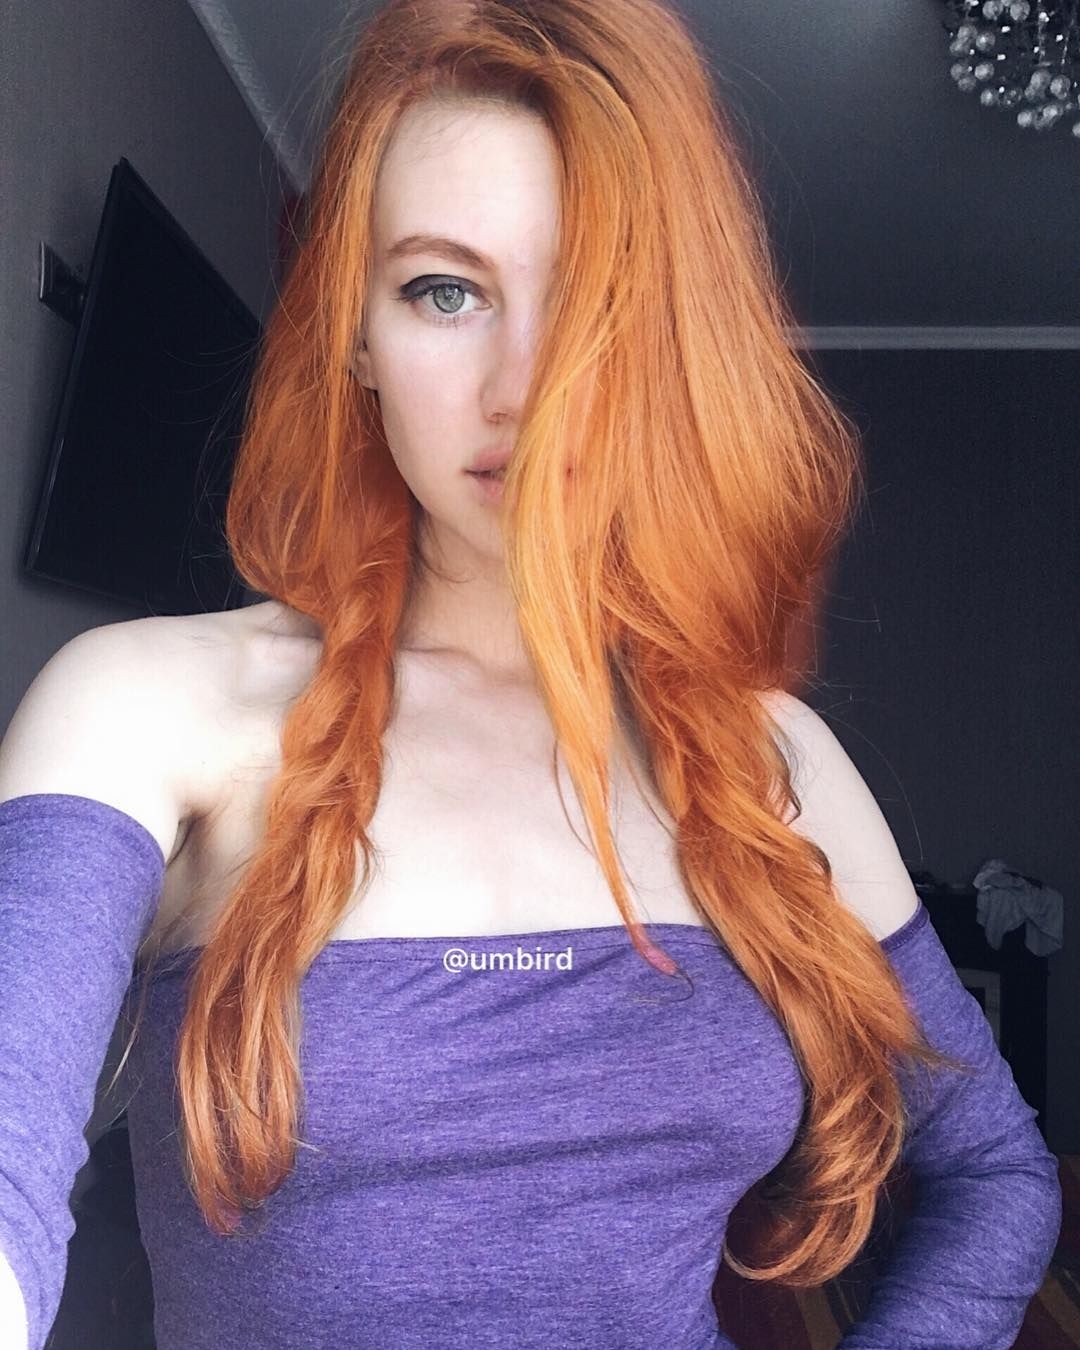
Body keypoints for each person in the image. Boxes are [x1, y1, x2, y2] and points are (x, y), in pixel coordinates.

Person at [0, 0, 1062, 1346]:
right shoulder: (144, 712)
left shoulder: (772, 760)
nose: (528, 385)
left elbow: (994, 1169)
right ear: (355, 338)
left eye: (597, 300)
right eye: (444, 290)